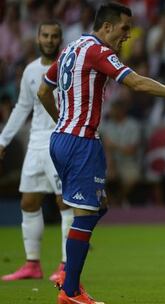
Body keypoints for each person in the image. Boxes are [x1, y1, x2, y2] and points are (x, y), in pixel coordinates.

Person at [37, 3, 165, 304]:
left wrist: (63, 122)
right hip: (80, 142)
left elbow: (43, 90)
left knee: (97, 206)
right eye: (123, 29)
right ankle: (70, 292)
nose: (127, 36)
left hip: (62, 139)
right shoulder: (98, 51)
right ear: (106, 27)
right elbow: (136, 82)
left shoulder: (71, 47)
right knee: (86, 213)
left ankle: (70, 277)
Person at [0, 21, 74, 282]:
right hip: (35, 142)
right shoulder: (31, 70)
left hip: (61, 140)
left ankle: (66, 267)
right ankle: (32, 264)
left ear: (60, 38)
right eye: (46, 35)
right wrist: (3, 140)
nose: (50, 40)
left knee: (64, 203)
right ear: (38, 38)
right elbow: (22, 107)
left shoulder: (69, 66)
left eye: (55, 36)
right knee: (28, 202)